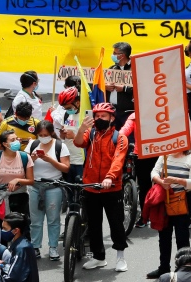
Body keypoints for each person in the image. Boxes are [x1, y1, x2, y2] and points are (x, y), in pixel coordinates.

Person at [69, 102, 129, 271]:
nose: (99, 118)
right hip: (91, 187)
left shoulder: (120, 137)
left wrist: (110, 177)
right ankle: (98, 257)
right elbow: (78, 143)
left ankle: (120, 257)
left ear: (112, 118)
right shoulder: (91, 133)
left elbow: (118, 160)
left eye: (103, 116)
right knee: (93, 225)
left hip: (112, 188)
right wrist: (82, 128)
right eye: (97, 116)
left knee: (116, 224)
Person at [146, 148, 191, 280]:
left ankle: (184, 269)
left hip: (183, 200)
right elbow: (154, 172)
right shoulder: (165, 154)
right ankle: (164, 267)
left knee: (182, 236)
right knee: (164, 235)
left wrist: (176, 180)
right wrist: (161, 182)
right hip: (164, 200)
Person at [26, 120, 70, 261]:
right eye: (40, 135)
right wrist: (31, 159)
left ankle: (53, 247)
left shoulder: (60, 146)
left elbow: (65, 168)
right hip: (35, 186)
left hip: (53, 187)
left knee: (53, 219)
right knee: (35, 220)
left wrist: (50, 160)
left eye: (46, 135)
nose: (43, 137)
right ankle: (35, 246)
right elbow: (24, 164)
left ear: (51, 133)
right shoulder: (32, 145)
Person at [0, 213, 38, 282]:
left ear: (16, 230)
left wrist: (0, 270)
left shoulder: (21, 249)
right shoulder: (21, 244)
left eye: (5, 229)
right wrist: (3, 265)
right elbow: (18, 268)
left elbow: (14, 277)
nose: (2, 231)